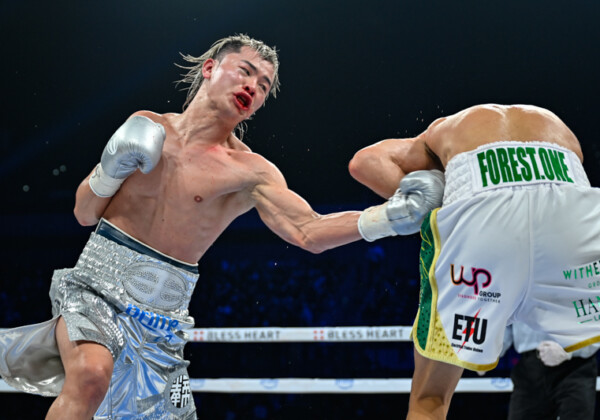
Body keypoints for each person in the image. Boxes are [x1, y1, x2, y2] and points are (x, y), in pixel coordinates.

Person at [0, 34, 444, 419]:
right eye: (245, 71)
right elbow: (83, 212)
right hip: (93, 292)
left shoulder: (251, 173)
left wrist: (389, 217)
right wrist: (109, 171)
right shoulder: (147, 126)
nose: (253, 85)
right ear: (210, 69)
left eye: (264, 84)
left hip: (162, 326)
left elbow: (308, 231)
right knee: (92, 376)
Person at [348, 103, 600, 420]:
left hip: (485, 214)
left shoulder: (444, 127)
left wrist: (427, 207)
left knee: (430, 398)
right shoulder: (555, 123)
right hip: (572, 208)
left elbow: (363, 163)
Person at [502, 321, 598, 420]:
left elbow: (596, 319)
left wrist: (570, 350)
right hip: (530, 369)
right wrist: (486, 356)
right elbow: (503, 320)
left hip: (576, 366)